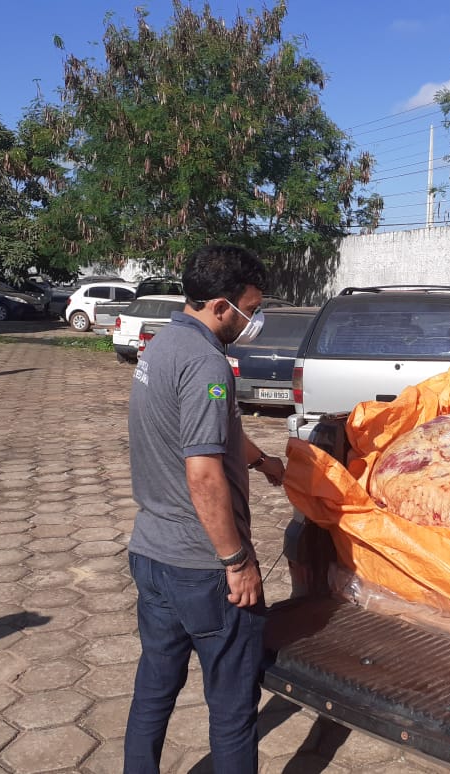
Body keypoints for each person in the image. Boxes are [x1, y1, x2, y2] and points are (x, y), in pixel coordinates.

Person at [123, 244, 277, 773]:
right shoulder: (208, 361)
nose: (251, 320)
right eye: (249, 310)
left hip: (151, 554)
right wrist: (237, 561)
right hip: (203, 569)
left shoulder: (162, 344)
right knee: (233, 708)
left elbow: (216, 429)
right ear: (219, 304)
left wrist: (263, 463)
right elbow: (203, 471)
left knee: (154, 688)